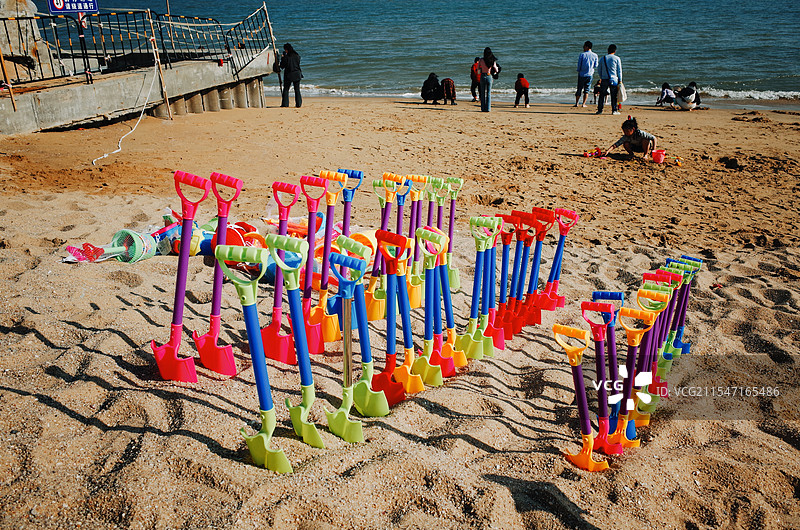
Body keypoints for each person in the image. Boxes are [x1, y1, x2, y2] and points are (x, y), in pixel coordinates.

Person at [596, 44, 622, 115]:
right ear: (615, 51)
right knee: (614, 96)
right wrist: (620, 80)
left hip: (604, 79)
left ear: (608, 50)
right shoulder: (617, 58)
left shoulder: (603, 58)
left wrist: (601, 77)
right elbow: (619, 71)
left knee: (602, 95)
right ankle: (614, 110)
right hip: (613, 79)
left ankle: (600, 110)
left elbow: (599, 69)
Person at [574, 40, 598, 108]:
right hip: (590, 74)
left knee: (579, 89)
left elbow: (579, 64)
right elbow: (596, 65)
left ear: (587, 47)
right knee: (586, 89)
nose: (583, 48)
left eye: (584, 46)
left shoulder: (582, 55)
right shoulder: (595, 55)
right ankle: (583, 103)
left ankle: (577, 103)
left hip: (582, 74)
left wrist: (578, 70)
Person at [280, 43, 303, 108]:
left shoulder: (286, 57)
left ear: (286, 50)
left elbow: (282, 66)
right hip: (297, 73)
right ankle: (298, 104)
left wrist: (282, 58)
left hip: (289, 75)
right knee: (297, 89)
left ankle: (285, 104)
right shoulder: (297, 55)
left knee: (286, 89)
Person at [477, 47, 500, 112]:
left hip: (483, 75)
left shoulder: (481, 60)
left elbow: (478, 68)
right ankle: (488, 108)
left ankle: (483, 108)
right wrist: (495, 72)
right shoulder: (492, 60)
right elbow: (496, 69)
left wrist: (480, 72)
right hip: (489, 75)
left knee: (482, 93)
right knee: (488, 93)